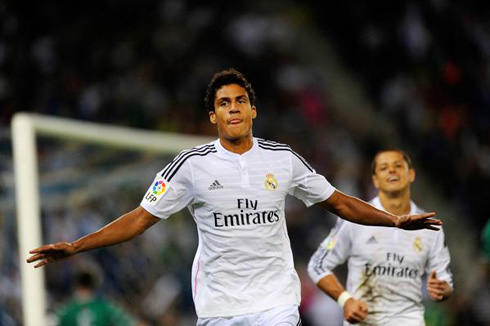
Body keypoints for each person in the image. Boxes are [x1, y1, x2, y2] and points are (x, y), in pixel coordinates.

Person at [27, 69, 442, 326]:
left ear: (253, 109)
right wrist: (77, 246)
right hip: (219, 307)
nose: (233, 109)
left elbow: (338, 201)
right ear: (214, 116)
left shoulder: (282, 159)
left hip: (275, 302)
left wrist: (393, 220)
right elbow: (140, 218)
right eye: (224, 104)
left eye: (240, 101)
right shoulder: (190, 166)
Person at [307, 149, 453, 325]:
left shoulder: (428, 225)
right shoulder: (355, 219)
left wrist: (443, 290)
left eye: (398, 166)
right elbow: (318, 264)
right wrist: (346, 300)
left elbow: (444, 281)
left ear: (411, 175)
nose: (392, 171)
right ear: (374, 180)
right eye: (384, 167)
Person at [55, 268, 136, 326]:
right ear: (93, 285)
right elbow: (128, 322)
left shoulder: (66, 310)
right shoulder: (105, 307)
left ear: (76, 284)